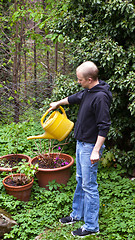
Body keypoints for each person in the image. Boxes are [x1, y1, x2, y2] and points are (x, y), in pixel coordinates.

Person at [49, 61, 112, 237]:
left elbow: (104, 126)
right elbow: (75, 97)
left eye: (80, 80)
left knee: (89, 185)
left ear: (90, 79)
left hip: (90, 146)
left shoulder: (100, 97)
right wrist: (57, 103)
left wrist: (96, 150)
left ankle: (92, 226)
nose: (78, 82)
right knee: (80, 180)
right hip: (81, 143)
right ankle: (77, 214)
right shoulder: (89, 91)